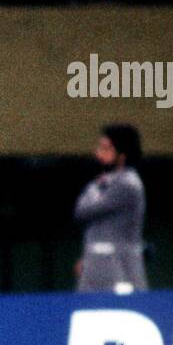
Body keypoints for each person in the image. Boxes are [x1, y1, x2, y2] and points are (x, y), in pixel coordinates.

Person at [73, 124, 148, 294]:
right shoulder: (104, 182)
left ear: (122, 155)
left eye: (106, 148)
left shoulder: (127, 184)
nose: (98, 154)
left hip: (119, 272)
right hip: (97, 271)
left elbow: (84, 211)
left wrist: (95, 188)